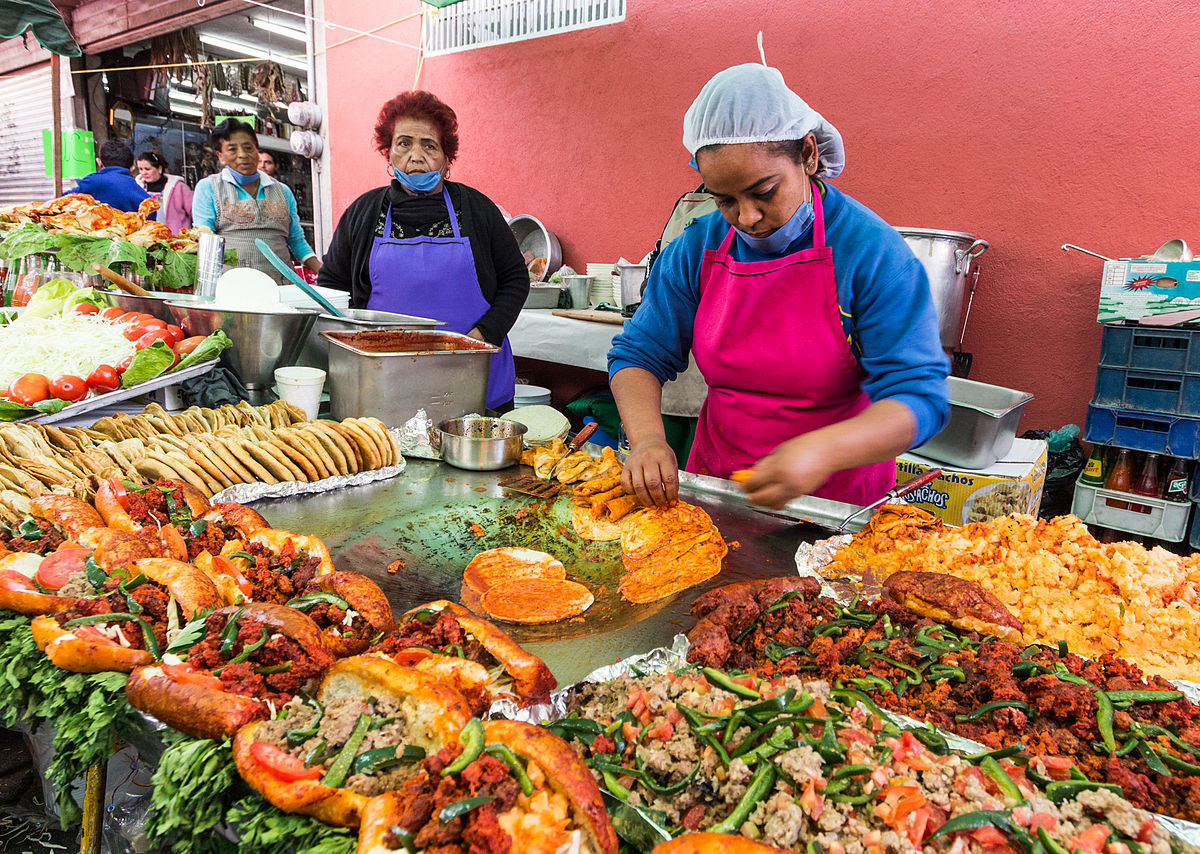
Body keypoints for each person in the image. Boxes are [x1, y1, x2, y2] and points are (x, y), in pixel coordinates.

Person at [608, 63, 950, 510]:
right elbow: (638, 354)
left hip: (836, 508)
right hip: (720, 491)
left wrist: (822, 451)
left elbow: (919, 397)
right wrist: (650, 441)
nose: (747, 217)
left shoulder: (872, 254)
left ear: (808, 154)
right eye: (725, 200)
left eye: (764, 192)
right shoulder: (698, 248)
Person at [318, 91, 529, 411]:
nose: (416, 155)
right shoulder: (364, 213)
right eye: (404, 143)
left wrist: (484, 335)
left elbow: (515, 278)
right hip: (383, 382)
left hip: (472, 374)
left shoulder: (477, 210)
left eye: (429, 145)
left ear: (447, 159)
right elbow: (331, 289)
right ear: (388, 153)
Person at [192, 119, 320, 283]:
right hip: (232, 287)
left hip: (281, 285)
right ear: (221, 156)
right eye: (232, 150)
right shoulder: (209, 188)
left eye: (248, 148)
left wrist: (322, 271)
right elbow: (205, 241)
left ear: (256, 149)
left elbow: (296, 240)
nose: (242, 155)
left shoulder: (282, 191)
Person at [69, 140, 149, 212]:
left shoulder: (91, 182)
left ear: (99, 162)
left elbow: (62, 201)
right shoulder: (144, 198)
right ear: (132, 167)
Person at [134, 150, 193, 232]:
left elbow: (194, 212)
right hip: (146, 238)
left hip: (175, 239)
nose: (143, 173)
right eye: (140, 169)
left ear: (159, 169)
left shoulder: (179, 188)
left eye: (147, 169)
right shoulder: (137, 188)